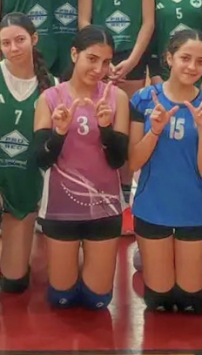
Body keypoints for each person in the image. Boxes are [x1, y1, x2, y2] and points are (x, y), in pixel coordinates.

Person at [34, 26, 130, 311]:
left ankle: (88, 267)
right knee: (61, 299)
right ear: (74, 54)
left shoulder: (116, 97)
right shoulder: (50, 97)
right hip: (60, 207)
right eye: (92, 59)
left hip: (105, 207)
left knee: (98, 301)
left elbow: (117, 160)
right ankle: (68, 265)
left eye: (106, 62)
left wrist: (106, 128)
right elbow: (41, 160)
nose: (99, 69)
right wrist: (59, 132)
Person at [129, 29, 202, 314]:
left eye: (200, 61)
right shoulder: (144, 99)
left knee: (191, 303)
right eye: (185, 58)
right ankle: (149, 257)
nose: (192, 67)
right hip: (153, 208)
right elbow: (133, 162)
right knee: (159, 302)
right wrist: (155, 131)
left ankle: (186, 269)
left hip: (194, 210)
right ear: (169, 58)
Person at [0, 13, 55, 316]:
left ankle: (13, 252)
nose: (13, 48)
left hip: (26, 183)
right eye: (5, 43)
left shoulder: (51, 86)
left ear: (34, 39)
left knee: (16, 282)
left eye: (20, 40)